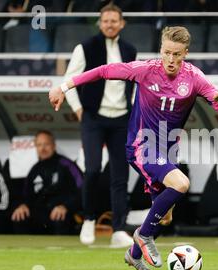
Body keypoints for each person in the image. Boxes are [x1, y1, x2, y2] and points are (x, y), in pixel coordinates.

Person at [49, 26, 218, 270]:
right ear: (161, 49)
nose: (171, 59)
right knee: (181, 184)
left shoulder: (194, 78)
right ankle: (143, 235)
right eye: (167, 52)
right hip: (141, 146)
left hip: (167, 152)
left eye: (177, 54)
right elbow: (105, 71)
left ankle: (134, 255)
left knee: (165, 217)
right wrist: (65, 86)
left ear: (185, 54)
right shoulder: (145, 70)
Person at [63, 3, 136, 248]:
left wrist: (133, 110)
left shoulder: (130, 50)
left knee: (120, 176)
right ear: (99, 23)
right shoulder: (85, 48)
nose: (110, 24)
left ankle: (118, 229)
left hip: (121, 120)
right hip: (93, 118)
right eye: (106, 20)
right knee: (92, 169)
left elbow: (134, 86)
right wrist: (78, 109)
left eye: (114, 20)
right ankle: (89, 219)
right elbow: (69, 80)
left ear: (122, 23)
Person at [11, 130, 83, 235]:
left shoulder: (67, 165)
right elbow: (26, 194)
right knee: (20, 216)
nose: (43, 148)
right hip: (40, 213)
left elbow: (82, 189)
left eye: (46, 144)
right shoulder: (34, 169)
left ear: (54, 146)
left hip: (62, 211)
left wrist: (66, 206)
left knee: (59, 218)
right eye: (39, 145)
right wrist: (22, 205)